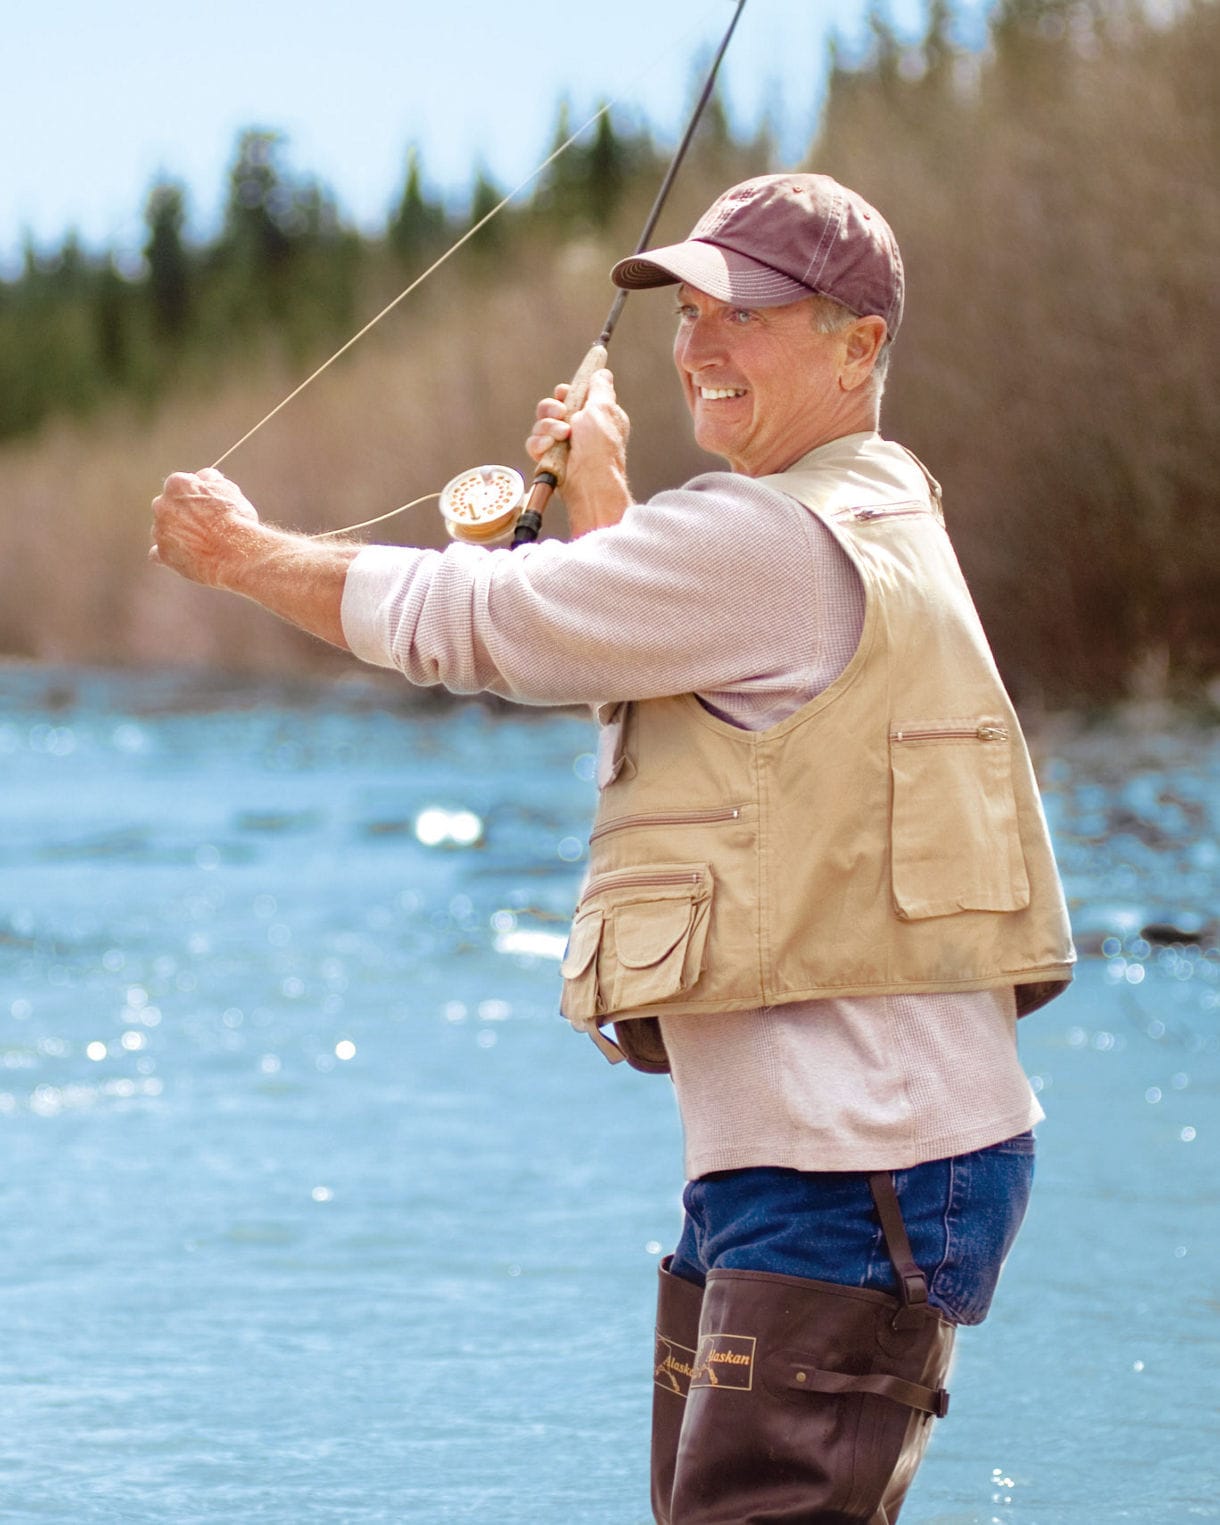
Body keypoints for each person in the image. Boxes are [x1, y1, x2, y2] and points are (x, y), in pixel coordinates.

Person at [151, 173, 1075, 1523]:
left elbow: (491, 623)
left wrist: (243, 555)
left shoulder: (768, 535)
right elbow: (686, 676)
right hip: (840, 1160)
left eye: (747, 316)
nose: (700, 346)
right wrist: (609, 505)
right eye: (689, 313)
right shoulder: (875, 512)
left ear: (859, 345)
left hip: (846, 1171)